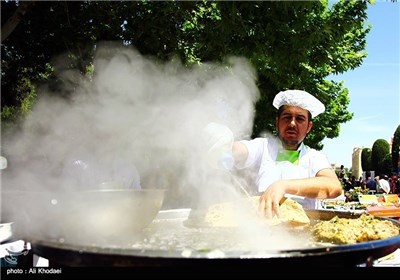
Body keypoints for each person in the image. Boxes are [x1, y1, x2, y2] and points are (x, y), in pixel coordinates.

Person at [204, 89, 343, 218]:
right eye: (287, 117)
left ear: (309, 127)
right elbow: (238, 150)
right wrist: (223, 144)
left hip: (303, 234)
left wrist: (283, 186)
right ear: (277, 122)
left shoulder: (315, 157)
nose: (292, 123)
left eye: (300, 119)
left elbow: (334, 187)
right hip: (260, 232)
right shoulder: (261, 147)